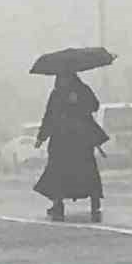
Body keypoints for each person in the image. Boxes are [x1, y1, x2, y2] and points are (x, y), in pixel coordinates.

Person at [33, 70, 107, 221]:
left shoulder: (83, 90)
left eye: (65, 77)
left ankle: (95, 201)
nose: (62, 80)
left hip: (80, 139)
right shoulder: (57, 94)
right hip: (62, 140)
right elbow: (49, 116)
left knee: (87, 171)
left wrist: (79, 101)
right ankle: (57, 204)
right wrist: (41, 136)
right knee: (58, 172)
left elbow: (95, 106)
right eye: (61, 78)